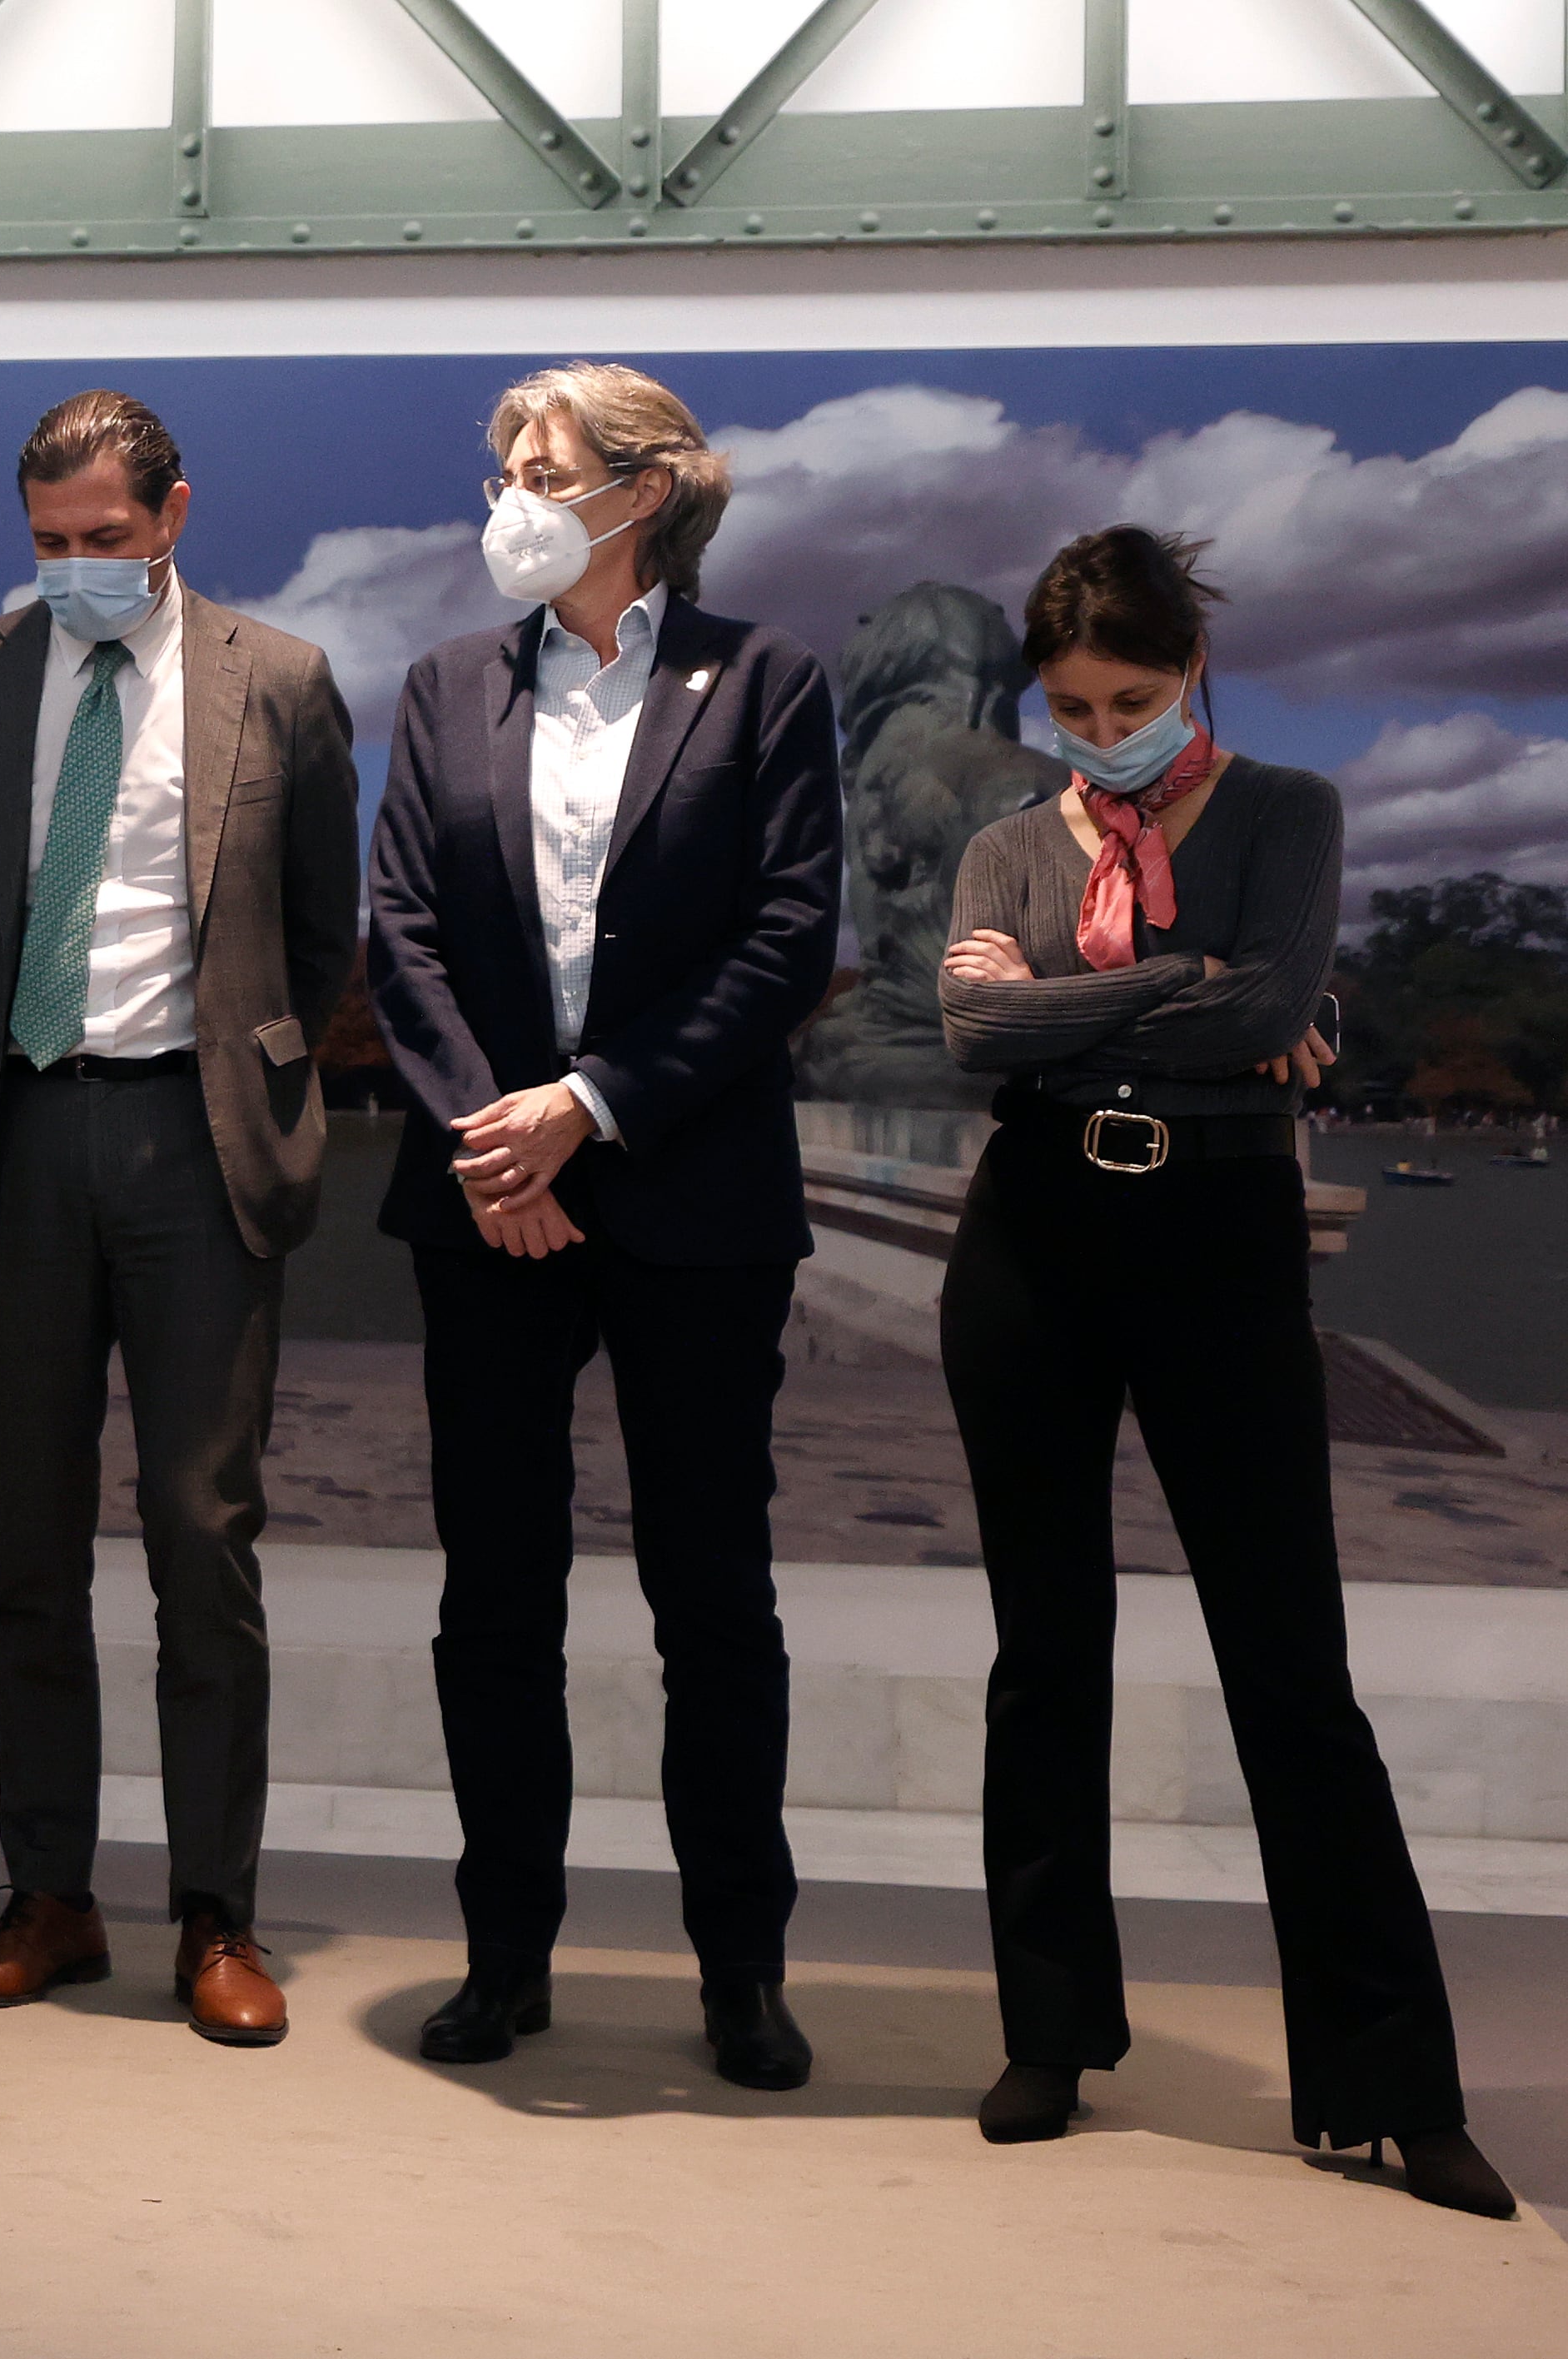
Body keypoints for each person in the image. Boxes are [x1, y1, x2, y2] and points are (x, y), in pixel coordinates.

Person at [934, 527, 1513, 2218]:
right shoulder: (999, 845)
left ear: (1191, 668)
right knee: (1045, 1651)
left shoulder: (1287, 813)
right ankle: (1049, 2029)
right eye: (1067, 703)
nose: (1096, 726)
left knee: (1290, 1668)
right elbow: (971, 1038)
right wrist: (1190, 992)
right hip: (1028, 1240)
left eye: (1127, 694)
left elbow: (1266, 993)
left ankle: (1392, 2079)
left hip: (1218, 1230)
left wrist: (1072, 994)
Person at [362, 361, 839, 2092]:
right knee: (496, 1595)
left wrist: (593, 1105)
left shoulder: (763, 679)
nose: (510, 486)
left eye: (542, 462)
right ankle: (505, 1958)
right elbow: (399, 927)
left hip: (693, 1195)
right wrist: (501, 1136)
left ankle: (741, 1970)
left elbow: (786, 939)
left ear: (647, 489)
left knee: (711, 1596)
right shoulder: (441, 685)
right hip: (487, 1201)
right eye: (501, 458)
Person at [0, 390, 357, 2047]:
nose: (75, 567)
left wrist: (230, 1078)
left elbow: (318, 931)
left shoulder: (279, 682)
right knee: (30, 1551)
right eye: (46, 544)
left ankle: (217, 1917)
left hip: (193, 1143)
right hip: (19, 1139)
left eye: (103, 538)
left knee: (198, 1537)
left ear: (169, 515)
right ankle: (48, 1896)